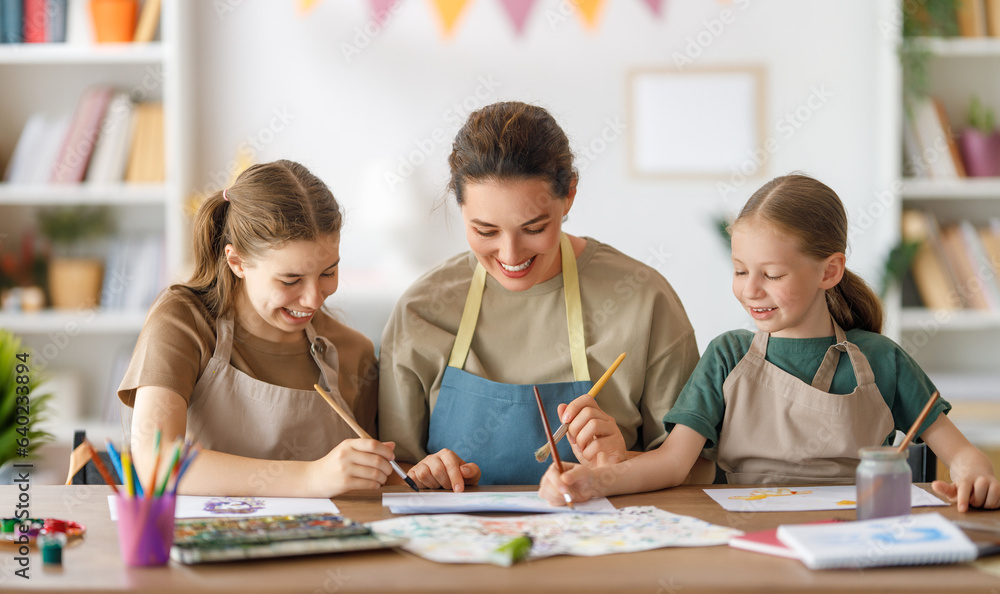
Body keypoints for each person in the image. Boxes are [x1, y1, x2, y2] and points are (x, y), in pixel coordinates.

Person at [539, 173, 1000, 512]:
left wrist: (974, 475)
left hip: (858, 533)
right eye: (740, 270)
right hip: (743, 536)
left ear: (829, 271)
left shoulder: (880, 359)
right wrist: (596, 480)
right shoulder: (727, 356)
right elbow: (672, 463)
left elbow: (961, 453)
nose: (750, 289)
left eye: (772, 274)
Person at [378, 101, 709, 490]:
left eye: (533, 228)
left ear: (568, 195)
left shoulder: (643, 299)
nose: (510, 255)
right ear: (460, 205)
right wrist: (419, 474)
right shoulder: (421, 309)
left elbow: (698, 470)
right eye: (485, 232)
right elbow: (392, 472)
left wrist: (618, 464)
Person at [118, 159, 395, 497]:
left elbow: (375, 477)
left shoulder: (354, 352)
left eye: (328, 273)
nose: (312, 299)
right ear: (237, 262)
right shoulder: (183, 321)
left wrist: (420, 472)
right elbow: (156, 461)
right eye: (290, 280)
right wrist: (310, 478)